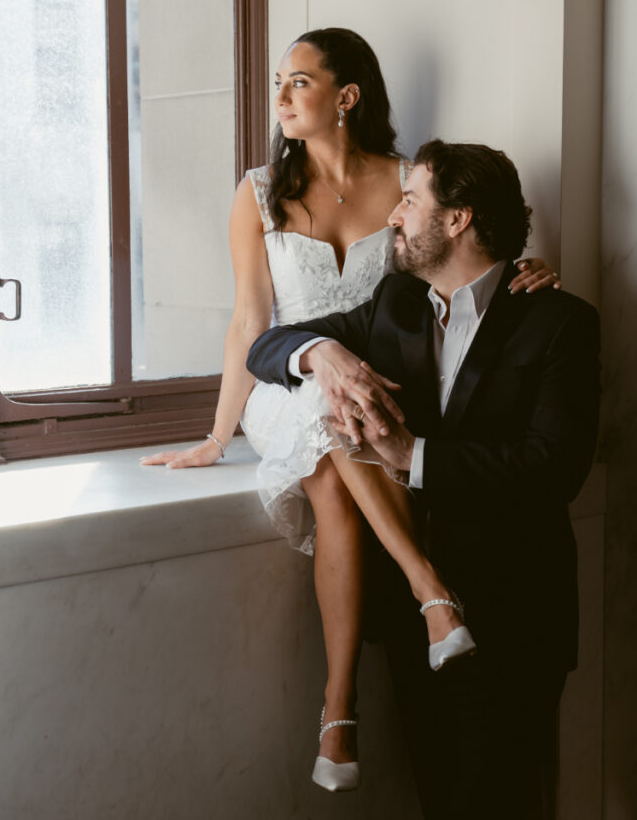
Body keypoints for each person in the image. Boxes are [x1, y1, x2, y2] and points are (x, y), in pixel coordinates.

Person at [140, 29, 558, 794]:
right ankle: (407, 618)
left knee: (353, 421)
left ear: (346, 95)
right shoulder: (259, 192)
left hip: (380, 386)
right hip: (294, 378)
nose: (280, 98)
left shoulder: (409, 183)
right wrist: (215, 432)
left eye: (297, 82)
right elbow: (249, 321)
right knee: (327, 428)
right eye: (278, 83)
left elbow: (458, 250)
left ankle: (347, 711)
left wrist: (520, 269)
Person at [246, 139, 600, 819]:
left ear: (458, 218)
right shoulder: (394, 304)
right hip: (411, 626)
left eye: (409, 201)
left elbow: (553, 470)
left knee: (505, 803)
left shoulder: (558, 323)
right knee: (438, 799)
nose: (393, 218)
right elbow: (268, 346)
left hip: (515, 618)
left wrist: (412, 455)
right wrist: (322, 353)